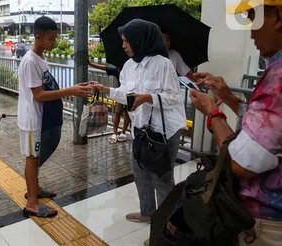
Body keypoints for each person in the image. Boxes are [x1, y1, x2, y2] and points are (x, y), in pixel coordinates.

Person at [189, 0, 282, 244]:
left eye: (254, 17)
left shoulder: (278, 77)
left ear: (278, 17)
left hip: (266, 224)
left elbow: (242, 164)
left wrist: (213, 112)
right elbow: (269, 133)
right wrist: (228, 98)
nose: (250, 30)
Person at [91, 19, 186, 223]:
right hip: (141, 129)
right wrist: (106, 89)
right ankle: (148, 212)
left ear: (140, 40)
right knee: (140, 172)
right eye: (123, 41)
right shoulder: (128, 66)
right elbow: (126, 94)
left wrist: (148, 98)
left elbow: (174, 98)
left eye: (127, 41)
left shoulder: (163, 65)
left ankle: (166, 224)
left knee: (162, 178)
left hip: (165, 131)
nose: (123, 45)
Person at [18, 16, 91, 218]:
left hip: (40, 117)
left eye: (55, 37)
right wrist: (71, 91)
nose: (54, 42)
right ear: (38, 36)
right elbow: (39, 95)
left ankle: (36, 189)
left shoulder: (40, 58)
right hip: (32, 120)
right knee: (32, 158)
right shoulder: (31, 61)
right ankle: (32, 203)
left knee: (36, 156)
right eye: (51, 38)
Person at [88, 61, 131, 143]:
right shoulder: (117, 70)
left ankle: (123, 133)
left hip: (131, 94)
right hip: (120, 93)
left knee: (128, 114)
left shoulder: (132, 70)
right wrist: (90, 64)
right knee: (117, 112)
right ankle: (115, 133)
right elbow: (104, 67)